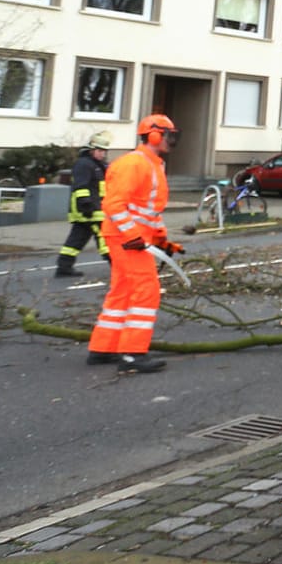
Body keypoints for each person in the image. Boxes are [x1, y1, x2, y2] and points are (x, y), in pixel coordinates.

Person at [86, 114, 182, 374]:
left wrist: (162, 241)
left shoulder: (152, 164)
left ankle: (103, 347)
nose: (171, 141)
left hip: (131, 238)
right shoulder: (135, 164)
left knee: (123, 289)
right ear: (153, 135)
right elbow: (114, 206)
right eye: (167, 135)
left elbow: (149, 211)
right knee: (146, 290)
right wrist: (134, 237)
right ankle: (132, 354)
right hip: (127, 239)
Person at [55, 131, 113, 278]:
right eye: (100, 151)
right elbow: (81, 186)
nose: (102, 154)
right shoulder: (84, 164)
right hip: (88, 209)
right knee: (104, 237)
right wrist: (86, 204)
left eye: (104, 151)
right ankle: (117, 265)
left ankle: (64, 267)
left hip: (91, 209)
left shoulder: (98, 165)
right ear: (91, 150)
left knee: (77, 239)